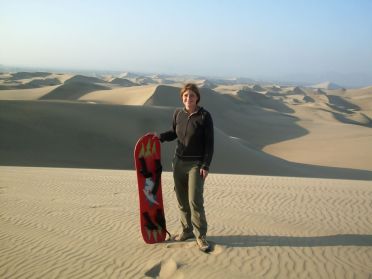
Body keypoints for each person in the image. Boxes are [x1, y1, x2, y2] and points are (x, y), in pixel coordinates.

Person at [158, 83, 214, 251]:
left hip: (196, 165)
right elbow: (173, 132)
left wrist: (206, 165)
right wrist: (158, 137)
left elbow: (209, 144)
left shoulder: (204, 116)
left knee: (195, 201)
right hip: (178, 163)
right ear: (182, 98)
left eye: (191, 96)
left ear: (197, 97)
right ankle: (187, 230)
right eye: (185, 96)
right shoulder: (178, 114)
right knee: (182, 200)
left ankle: (201, 236)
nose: (188, 99)